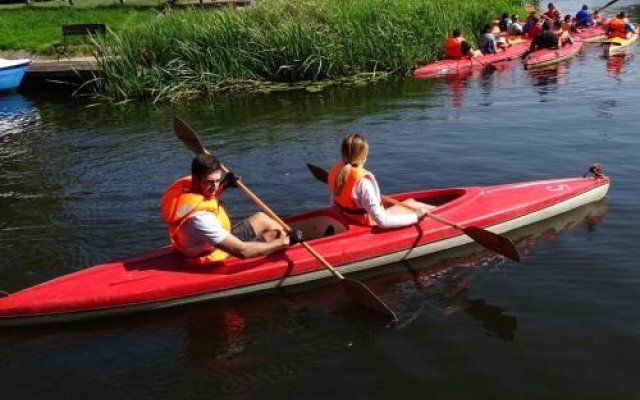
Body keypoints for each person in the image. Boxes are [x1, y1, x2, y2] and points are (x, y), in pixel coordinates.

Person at [160, 153, 302, 266]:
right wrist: (285, 242)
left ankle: (292, 242)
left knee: (261, 217)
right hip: (210, 255)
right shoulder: (200, 219)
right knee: (276, 235)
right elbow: (242, 251)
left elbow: (205, 198)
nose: (214, 187)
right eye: (209, 182)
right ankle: (295, 251)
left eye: (217, 181)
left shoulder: (187, 189)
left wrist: (225, 185)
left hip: (204, 242)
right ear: (196, 179)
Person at [327, 133, 432, 228]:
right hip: (368, 225)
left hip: (347, 220)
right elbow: (383, 222)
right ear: (364, 157)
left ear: (342, 154)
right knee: (417, 206)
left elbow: (334, 204)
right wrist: (416, 216)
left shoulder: (336, 172)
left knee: (411, 202)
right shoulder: (363, 184)